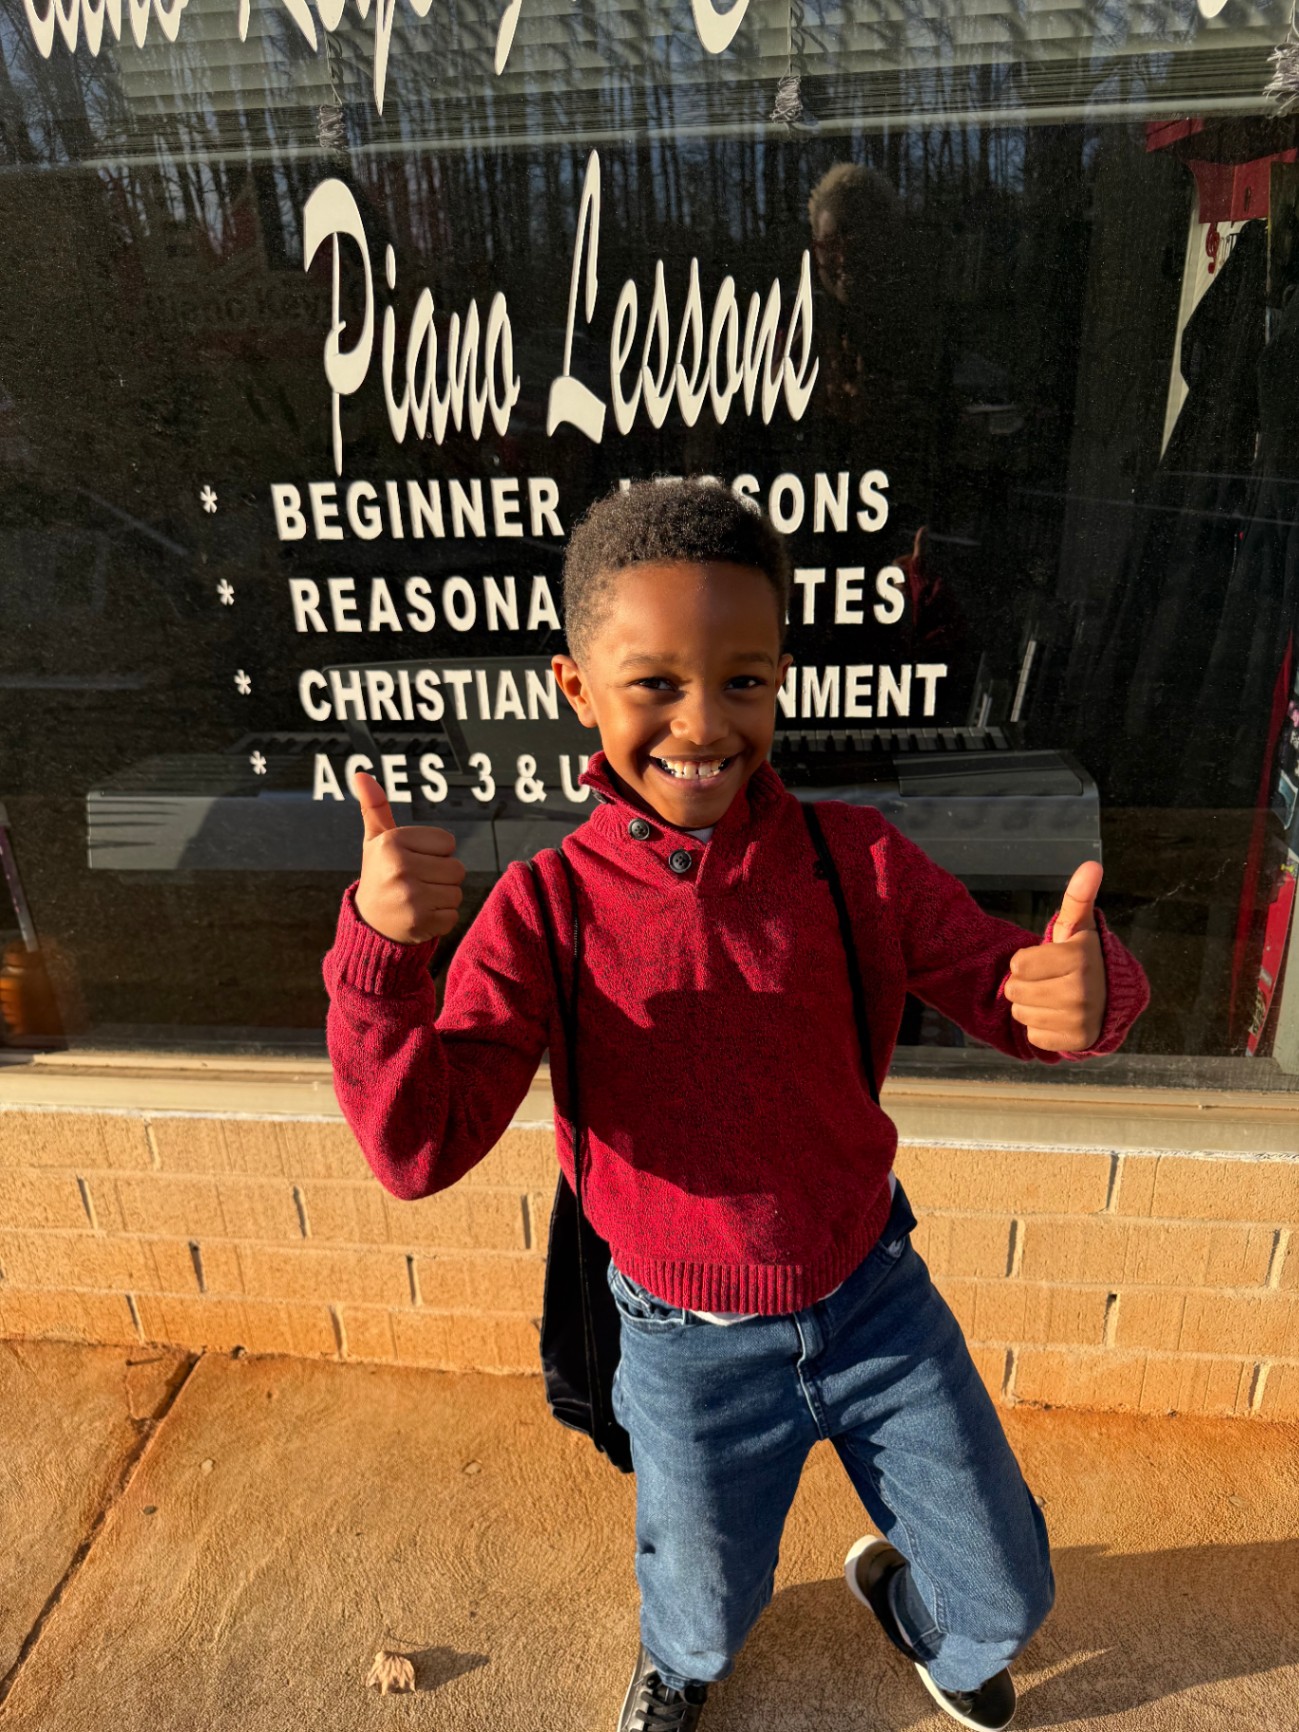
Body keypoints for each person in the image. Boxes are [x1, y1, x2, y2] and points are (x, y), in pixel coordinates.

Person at [323, 479, 1150, 1732]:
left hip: (875, 1300)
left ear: (780, 682)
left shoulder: (855, 861)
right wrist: (381, 959)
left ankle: (915, 1606)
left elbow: (1011, 986)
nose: (703, 722)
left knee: (1007, 1592)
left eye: (743, 680)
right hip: (684, 1342)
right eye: (655, 682)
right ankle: (680, 1661)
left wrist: (1085, 994)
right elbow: (417, 1147)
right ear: (576, 688)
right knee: (703, 1612)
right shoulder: (545, 908)